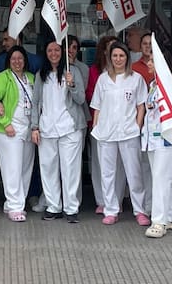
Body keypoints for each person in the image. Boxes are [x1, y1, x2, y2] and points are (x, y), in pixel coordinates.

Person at [89, 41, 149, 227]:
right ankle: (111, 210)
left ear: (127, 58)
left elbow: (141, 106)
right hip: (106, 133)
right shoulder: (103, 79)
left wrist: (137, 126)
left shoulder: (136, 79)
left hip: (128, 132)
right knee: (107, 174)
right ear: (110, 58)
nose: (118, 59)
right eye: (115, 56)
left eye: (121, 56)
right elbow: (97, 106)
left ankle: (140, 210)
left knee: (134, 173)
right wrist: (97, 128)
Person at [30, 40, 86, 223]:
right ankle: (54, 206)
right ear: (45, 53)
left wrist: (72, 85)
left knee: (70, 170)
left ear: (62, 52)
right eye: (50, 50)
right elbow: (35, 102)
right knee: (48, 169)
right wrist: (35, 127)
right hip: (47, 129)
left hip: (69, 128)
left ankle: (71, 208)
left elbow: (80, 99)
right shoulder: (41, 75)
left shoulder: (73, 71)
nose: (53, 53)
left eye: (56, 50)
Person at [140, 50, 172, 239]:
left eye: (152, 61)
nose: (149, 64)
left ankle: (159, 222)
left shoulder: (171, 85)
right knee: (163, 178)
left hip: (167, 139)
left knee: (161, 179)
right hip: (153, 138)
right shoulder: (153, 84)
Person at [0, 45, 36, 222]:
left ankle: (16, 203)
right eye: (13, 58)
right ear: (9, 61)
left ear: (25, 61)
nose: (17, 62)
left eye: (20, 58)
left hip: (26, 129)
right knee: (12, 168)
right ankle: (15, 206)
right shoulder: (3, 77)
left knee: (25, 167)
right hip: (8, 130)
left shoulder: (31, 78)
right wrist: (5, 123)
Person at [85, 34, 123, 214]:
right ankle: (102, 200)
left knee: (120, 165)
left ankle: (118, 199)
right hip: (100, 123)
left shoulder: (127, 72)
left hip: (122, 125)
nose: (112, 52)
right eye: (108, 48)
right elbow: (90, 95)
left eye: (115, 47)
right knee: (99, 164)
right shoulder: (95, 71)